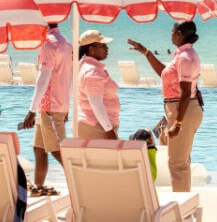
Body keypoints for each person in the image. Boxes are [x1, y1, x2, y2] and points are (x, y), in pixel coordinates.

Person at [127, 20, 204, 193]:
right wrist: (146, 52)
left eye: (172, 31)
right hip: (179, 108)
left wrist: (178, 123)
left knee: (177, 163)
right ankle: (184, 203)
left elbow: (185, 92)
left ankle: (181, 209)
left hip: (182, 109)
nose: (170, 34)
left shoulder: (185, 57)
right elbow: (164, 73)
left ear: (179, 34)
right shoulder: (181, 54)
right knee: (180, 160)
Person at [20, 22, 73, 198]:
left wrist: (31, 110)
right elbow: (69, 76)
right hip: (53, 105)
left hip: (49, 105)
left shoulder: (49, 43)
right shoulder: (65, 42)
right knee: (39, 148)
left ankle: (83, 185)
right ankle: (38, 188)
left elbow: (44, 77)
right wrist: (67, 105)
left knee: (59, 149)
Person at [76, 30, 119, 140]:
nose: (107, 48)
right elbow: (96, 103)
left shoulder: (86, 66)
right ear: (92, 49)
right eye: (103, 45)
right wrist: (109, 130)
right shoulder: (93, 71)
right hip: (97, 127)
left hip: (96, 125)